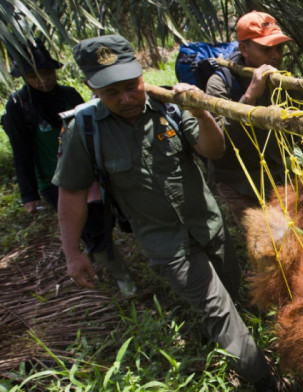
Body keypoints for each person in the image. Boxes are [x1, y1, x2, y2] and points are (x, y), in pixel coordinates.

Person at [52, 34, 283, 392]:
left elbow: (213, 148)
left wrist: (201, 113)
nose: (127, 98)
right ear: (92, 89)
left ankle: (229, 343)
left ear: (142, 74)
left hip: (209, 226)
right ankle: (266, 380)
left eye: (133, 86)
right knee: (217, 309)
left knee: (233, 295)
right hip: (167, 245)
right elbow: (71, 194)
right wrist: (72, 254)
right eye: (113, 93)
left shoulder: (170, 107)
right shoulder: (83, 131)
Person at [1, 39, 134, 295]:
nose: (43, 80)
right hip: (55, 181)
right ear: (24, 77)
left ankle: (104, 254)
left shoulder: (68, 95)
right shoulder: (18, 107)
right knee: (89, 229)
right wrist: (29, 194)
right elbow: (22, 153)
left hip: (89, 173)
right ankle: (123, 280)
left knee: (106, 218)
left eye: (48, 73)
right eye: (34, 76)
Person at [205, 10, 298, 231]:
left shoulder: (281, 78)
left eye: (279, 48)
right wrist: (249, 97)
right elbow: (219, 142)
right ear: (244, 49)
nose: (275, 55)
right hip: (240, 181)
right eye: (266, 49)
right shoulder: (218, 84)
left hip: (277, 174)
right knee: (262, 240)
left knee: (293, 233)